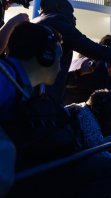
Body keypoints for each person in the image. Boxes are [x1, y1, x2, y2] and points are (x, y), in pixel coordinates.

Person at [32, 0, 111, 104]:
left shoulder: (35, 23)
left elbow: (58, 77)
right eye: (72, 12)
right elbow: (96, 50)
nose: (74, 18)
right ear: (59, 7)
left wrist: (78, 73)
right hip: (44, 103)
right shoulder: (57, 23)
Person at [0, 22, 62, 196]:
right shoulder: (5, 78)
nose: (61, 66)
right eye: (59, 57)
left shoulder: (17, 82)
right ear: (46, 56)